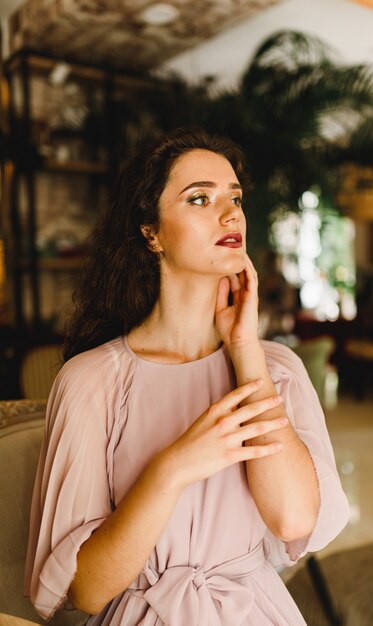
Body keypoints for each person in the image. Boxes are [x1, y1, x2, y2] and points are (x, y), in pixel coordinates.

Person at [24, 127, 349, 625]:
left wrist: (245, 350)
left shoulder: (276, 369)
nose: (231, 213)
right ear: (150, 232)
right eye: (200, 198)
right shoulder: (91, 381)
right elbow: (87, 591)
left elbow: (293, 519)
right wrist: (171, 468)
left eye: (235, 197)